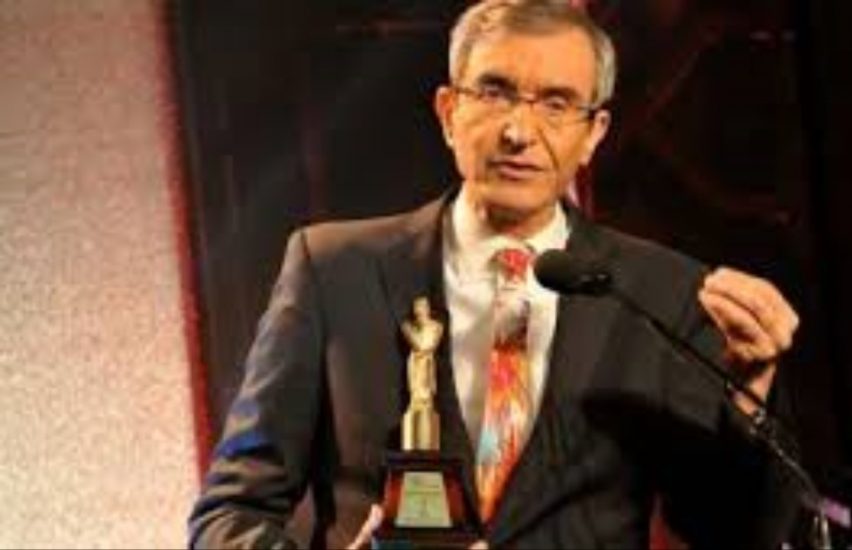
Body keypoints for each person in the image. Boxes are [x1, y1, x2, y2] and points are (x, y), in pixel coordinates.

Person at [188, 0, 802, 548]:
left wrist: (750, 390)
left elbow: (731, 532)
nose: (518, 132)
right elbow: (228, 516)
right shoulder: (333, 270)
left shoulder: (661, 294)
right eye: (495, 92)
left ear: (594, 134)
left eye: (557, 104)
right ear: (448, 112)